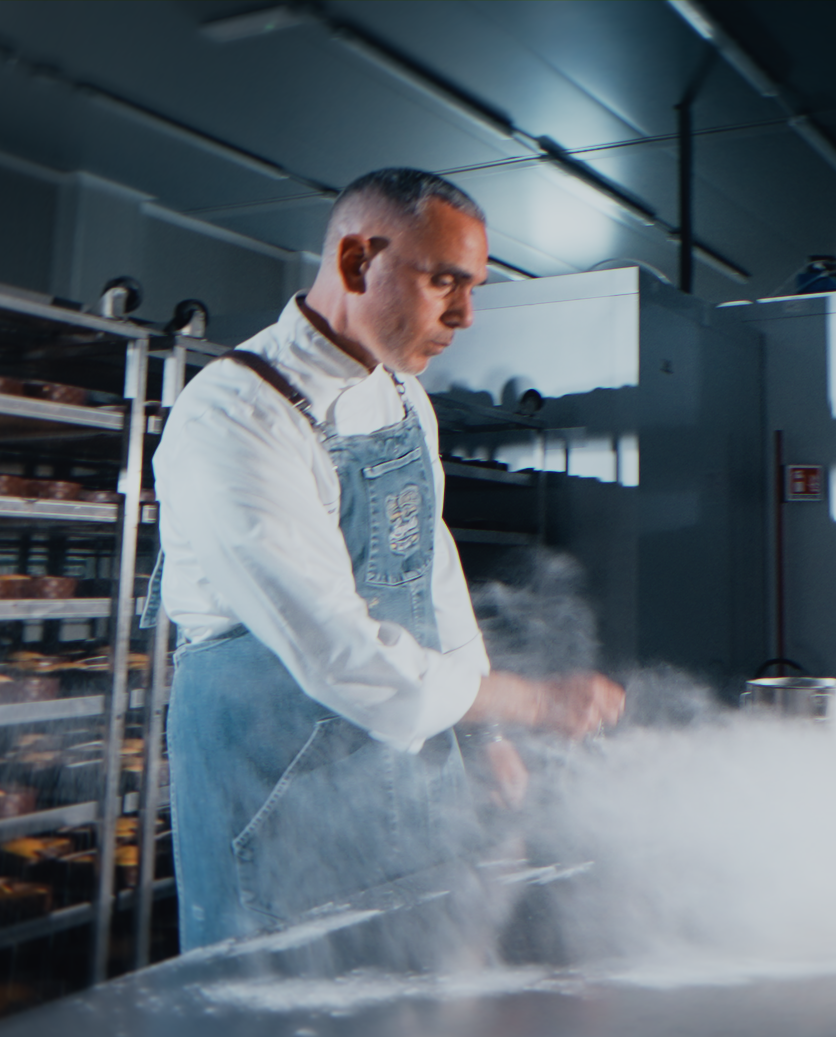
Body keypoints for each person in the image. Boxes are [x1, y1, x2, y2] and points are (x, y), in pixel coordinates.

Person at [152, 168, 623, 951]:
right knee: (270, 1004)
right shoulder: (235, 414)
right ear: (355, 261)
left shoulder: (405, 398)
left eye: (472, 289)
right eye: (444, 282)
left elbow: (429, 569)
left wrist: (480, 735)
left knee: (401, 990)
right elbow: (334, 647)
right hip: (270, 785)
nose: (465, 316)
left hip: (397, 767)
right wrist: (528, 703)